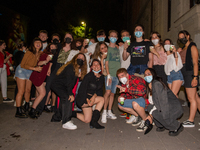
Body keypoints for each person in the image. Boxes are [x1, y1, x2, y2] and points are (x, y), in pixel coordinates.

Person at [36, 32, 74, 115]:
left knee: (61, 89)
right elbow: (53, 57)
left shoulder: (73, 49)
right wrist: (49, 68)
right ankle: (39, 109)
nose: (68, 38)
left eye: (69, 37)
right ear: (64, 39)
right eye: (66, 37)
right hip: (56, 67)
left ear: (72, 39)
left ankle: (59, 110)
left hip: (65, 69)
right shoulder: (59, 47)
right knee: (47, 88)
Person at [51, 53, 87, 130]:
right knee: (68, 99)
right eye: (79, 57)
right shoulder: (71, 67)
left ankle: (57, 117)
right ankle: (66, 121)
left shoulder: (76, 69)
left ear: (84, 61)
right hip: (58, 85)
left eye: (82, 58)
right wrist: (70, 94)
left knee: (63, 100)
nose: (80, 58)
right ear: (75, 58)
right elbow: (69, 82)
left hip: (62, 85)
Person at [144, 68, 184, 136]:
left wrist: (164, 117)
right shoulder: (150, 86)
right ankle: (161, 125)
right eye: (145, 75)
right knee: (150, 107)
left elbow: (163, 102)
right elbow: (153, 103)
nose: (147, 76)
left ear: (153, 75)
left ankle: (176, 126)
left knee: (155, 112)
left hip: (173, 108)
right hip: (166, 106)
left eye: (149, 74)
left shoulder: (157, 84)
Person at [15, 38, 43, 118]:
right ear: (33, 44)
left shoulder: (39, 53)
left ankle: (27, 106)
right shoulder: (29, 52)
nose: (38, 43)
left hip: (30, 71)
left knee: (28, 90)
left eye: (39, 42)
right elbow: (23, 64)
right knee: (21, 91)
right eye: (36, 42)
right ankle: (18, 110)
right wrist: (35, 68)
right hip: (22, 70)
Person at [73, 59, 105, 129]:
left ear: (100, 66)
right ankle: (94, 122)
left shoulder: (102, 77)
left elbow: (99, 92)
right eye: (94, 64)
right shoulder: (89, 76)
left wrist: (93, 97)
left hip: (92, 100)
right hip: (83, 99)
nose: (96, 66)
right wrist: (87, 100)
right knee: (102, 100)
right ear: (91, 67)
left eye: (98, 64)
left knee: (86, 120)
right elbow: (82, 90)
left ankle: (70, 113)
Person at [178, 30, 200, 128]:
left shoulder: (192, 47)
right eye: (180, 37)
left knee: (191, 98)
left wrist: (195, 77)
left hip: (189, 73)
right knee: (196, 97)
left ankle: (191, 120)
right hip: (184, 73)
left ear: (188, 36)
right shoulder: (183, 48)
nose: (181, 38)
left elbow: (195, 63)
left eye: (183, 36)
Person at [28, 44, 53, 118]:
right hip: (37, 76)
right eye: (51, 47)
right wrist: (46, 61)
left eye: (54, 48)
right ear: (48, 48)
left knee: (40, 94)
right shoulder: (45, 55)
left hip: (41, 77)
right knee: (43, 93)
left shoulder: (51, 56)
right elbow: (38, 63)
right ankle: (32, 110)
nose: (52, 49)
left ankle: (34, 109)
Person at [101, 30, 121, 123]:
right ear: (109, 38)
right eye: (111, 36)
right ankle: (104, 112)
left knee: (113, 94)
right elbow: (106, 63)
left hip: (117, 76)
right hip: (110, 75)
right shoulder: (107, 49)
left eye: (115, 36)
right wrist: (108, 75)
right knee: (107, 93)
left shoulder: (118, 49)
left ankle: (109, 111)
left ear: (117, 38)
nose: (113, 37)